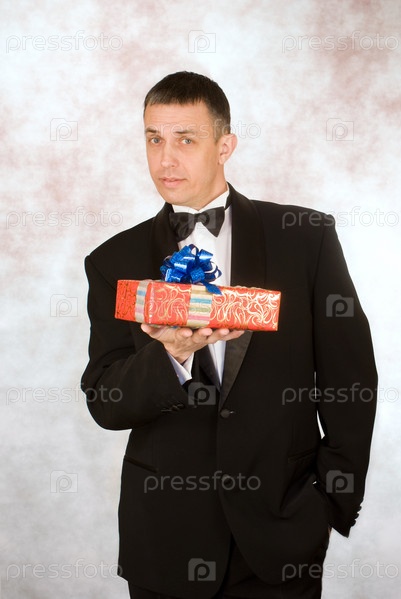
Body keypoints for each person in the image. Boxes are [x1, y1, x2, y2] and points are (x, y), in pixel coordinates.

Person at [81, 71, 377, 599]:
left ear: (225, 146)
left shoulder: (305, 239)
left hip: (283, 534)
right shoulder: (112, 261)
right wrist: (169, 356)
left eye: (185, 140)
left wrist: (330, 502)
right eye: (154, 139)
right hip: (165, 540)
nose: (165, 159)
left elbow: (350, 379)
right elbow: (106, 402)